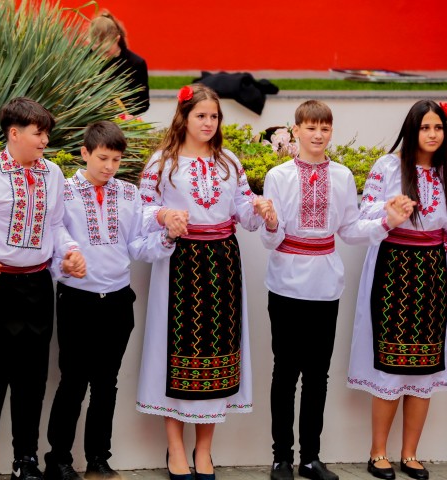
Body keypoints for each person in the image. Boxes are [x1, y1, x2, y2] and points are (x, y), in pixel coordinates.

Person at [261, 100, 415, 480]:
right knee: (284, 371)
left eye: (325, 128)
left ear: (331, 133)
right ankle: (282, 456)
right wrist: (269, 223)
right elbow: (272, 238)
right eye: (311, 127)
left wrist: (386, 222)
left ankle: (311, 457)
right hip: (285, 281)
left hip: (326, 282)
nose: (318, 134)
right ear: (295, 131)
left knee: (318, 374)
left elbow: (349, 228)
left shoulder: (344, 176)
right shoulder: (279, 176)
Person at [345, 100, 447, 480]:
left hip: (432, 273)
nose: (432, 134)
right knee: (391, 366)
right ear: (412, 130)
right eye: (425, 127)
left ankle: (410, 453)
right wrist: (390, 212)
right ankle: (377, 451)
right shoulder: (388, 167)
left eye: (438, 128)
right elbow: (365, 213)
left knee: (424, 368)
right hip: (394, 268)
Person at [136, 84, 274, 480]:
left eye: (214, 116)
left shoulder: (229, 162)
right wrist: (164, 217)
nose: (208, 123)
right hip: (180, 262)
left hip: (222, 264)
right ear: (184, 117)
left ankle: (204, 450)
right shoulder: (162, 163)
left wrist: (260, 209)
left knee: (218, 355)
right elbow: (142, 211)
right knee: (174, 352)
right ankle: (175, 448)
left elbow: (244, 211)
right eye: (201, 115)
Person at [0, 97, 86, 480]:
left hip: (37, 284)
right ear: (14, 133)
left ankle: (25, 459)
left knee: (31, 378)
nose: (45, 140)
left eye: (46, 132)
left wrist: (71, 251)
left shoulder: (54, 174)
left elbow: (57, 226)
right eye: (38, 133)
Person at [44, 121, 178, 480]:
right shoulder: (65, 192)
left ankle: (98, 458)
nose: (109, 167)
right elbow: (54, 240)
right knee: (73, 380)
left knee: (107, 382)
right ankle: (57, 459)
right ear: (85, 153)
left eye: (116, 160)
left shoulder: (129, 194)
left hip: (118, 300)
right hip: (77, 299)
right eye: (103, 158)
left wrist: (165, 238)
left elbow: (135, 245)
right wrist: (66, 264)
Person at [89, 11, 149, 116]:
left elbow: (143, 103)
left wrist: (125, 115)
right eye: (97, 50)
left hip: (122, 123)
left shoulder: (136, 63)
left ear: (117, 38)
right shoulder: (82, 60)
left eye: (106, 51)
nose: (102, 55)